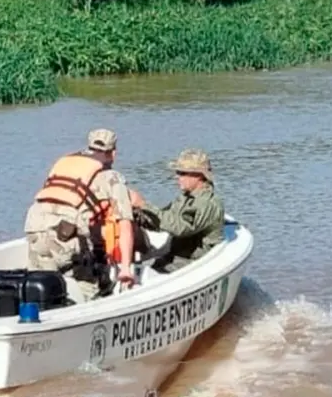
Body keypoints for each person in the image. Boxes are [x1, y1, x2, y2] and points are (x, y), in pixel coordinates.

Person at [24, 128, 136, 302]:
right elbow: (125, 224)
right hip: (66, 233)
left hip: (34, 225)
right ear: (113, 153)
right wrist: (126, 268)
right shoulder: (111, 177)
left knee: (41, 288)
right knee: (88, 290)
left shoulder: (66, 164)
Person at [131, 148, 225, 272]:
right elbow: (165, 221)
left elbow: (180, 228)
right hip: (176, 257)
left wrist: (144, 205)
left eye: (182, 173)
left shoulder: (207, 204)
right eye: (177, 172)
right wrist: (138, 214)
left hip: (196, 264)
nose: (177, 177)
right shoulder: (185, 198)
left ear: (198, 175)